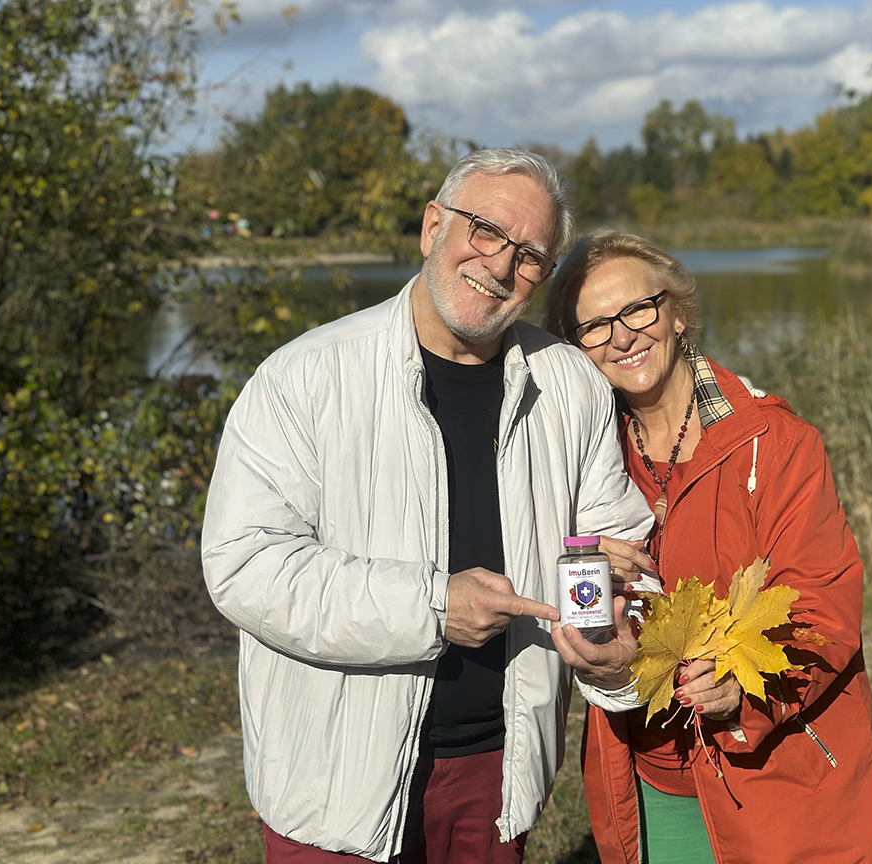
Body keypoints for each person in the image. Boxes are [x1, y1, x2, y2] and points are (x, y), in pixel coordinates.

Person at [201, 150, 655, 864]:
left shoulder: (570, 386)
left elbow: (620, 546)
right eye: (485, 231)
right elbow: (244, 566)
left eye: (531, 255)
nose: (501, 266)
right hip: (334, 780)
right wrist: (432, 606)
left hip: (497, 771)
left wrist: (616, 648)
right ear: (432, 227)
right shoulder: (304, 377)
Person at [544, 231, 872, 864]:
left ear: (675, 312)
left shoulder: (774, 444)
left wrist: (744, 690)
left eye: (637, 310)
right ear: (575, 351)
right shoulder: (581, 464)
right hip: (647, 775)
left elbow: (823, 609)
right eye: (594, 326)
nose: (622, 336)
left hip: (770, 778)